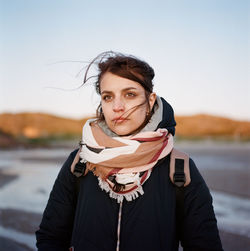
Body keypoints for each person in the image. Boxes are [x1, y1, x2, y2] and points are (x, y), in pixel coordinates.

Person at [36, 51, 223, 251]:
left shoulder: (179, 169)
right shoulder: (80, 163)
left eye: (130, 94)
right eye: (108, 97)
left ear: (150, 101)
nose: (117, 107)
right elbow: (50, 237)